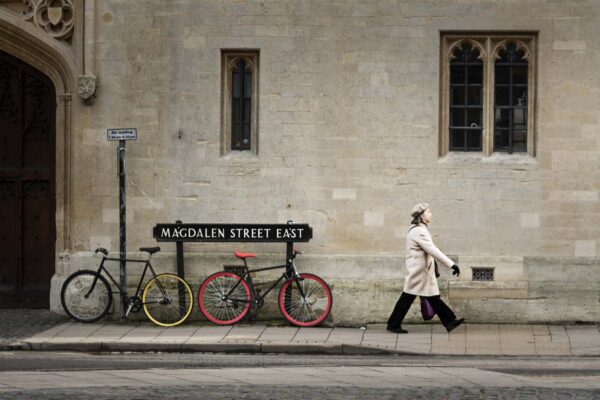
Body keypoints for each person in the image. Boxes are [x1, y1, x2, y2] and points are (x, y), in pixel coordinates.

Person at [387, 203, 465, 334]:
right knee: (415, 297)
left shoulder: (419, 229)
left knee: (426, 297)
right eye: (428, 212)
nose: (431, 214)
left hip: (421, 271)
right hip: (419, 272)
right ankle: (393, 324)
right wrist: (451, 264)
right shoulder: (419, 231)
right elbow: (433, 250)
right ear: (421, 216)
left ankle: (450, 321)